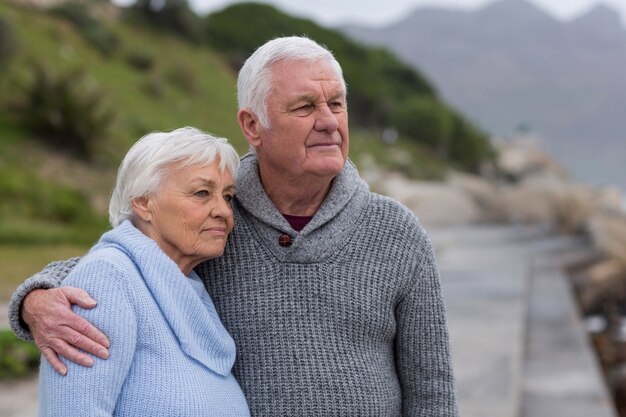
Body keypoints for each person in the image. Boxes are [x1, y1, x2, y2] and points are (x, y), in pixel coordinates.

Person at [10, 37, 459, 416]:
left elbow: (433, 391)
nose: (328, 121)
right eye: (305, 106)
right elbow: (131, 260)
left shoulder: (397, 232)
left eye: (336, 104)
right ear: (253, 125)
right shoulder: (217, 219)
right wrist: (35, 297)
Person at [35, 127, 250, 416]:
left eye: (227, 196)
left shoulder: (189, 282)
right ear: (143, 203)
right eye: (202, 193)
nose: (223, 211)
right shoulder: (107, 279)